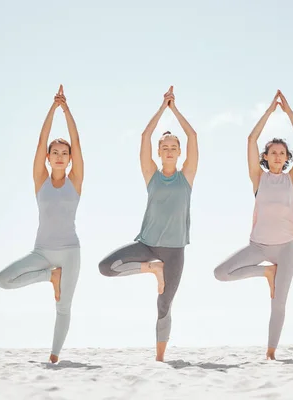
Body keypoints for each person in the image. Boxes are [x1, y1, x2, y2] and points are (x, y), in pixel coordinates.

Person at [98, 86, 199, 362]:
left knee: (164, 304)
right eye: (164, 147)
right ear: (158, 152)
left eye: (173, 148)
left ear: (179, 153)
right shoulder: (151, 175)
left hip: (175, 250)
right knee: (105, 267)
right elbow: (144, 136)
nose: (169, 150)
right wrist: (161, 109)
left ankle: (159, 358)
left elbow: (193, 135)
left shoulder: (186, 177)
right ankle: (150, 269)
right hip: (147, 245)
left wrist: (174, 109)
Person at [213, 90, 293, 360]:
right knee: (221, 273)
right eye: (272, 153)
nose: (277, 157)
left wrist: (288, 112)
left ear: (286, 157)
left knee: (279, 303)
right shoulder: (258, 178)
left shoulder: (292, 179)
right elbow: (251, 139)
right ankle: (266, 274)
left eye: (281, 153)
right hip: (258, 248)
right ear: (265, 157)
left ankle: (270, 353)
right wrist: (269, 112)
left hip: (286, 249)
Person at [0, 85, 84, 364]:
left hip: (70, 253)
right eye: (54, 152)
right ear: (48, 157)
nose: (59, 156)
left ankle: (55, 356)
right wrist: (52, 108)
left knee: (63, 308)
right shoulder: (41, 181)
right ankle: (50, 277)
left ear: (69, 159)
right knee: (3, 280)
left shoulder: (75, 181)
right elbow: (40, 140)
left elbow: (77, 142)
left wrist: (66, 110)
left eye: (64, 153)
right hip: (42, 252)